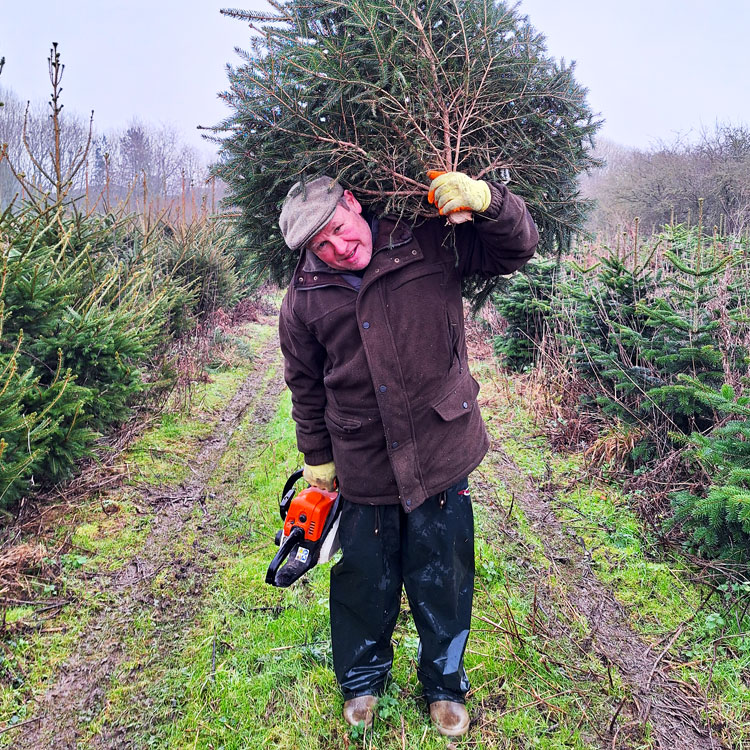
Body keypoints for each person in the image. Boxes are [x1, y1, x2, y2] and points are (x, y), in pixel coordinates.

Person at [277, 171, 538, 737]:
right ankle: (363, 681)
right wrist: (317, 459)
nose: (340, 247)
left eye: (340, 229)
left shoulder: (426, 235)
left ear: (353, 202)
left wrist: (489, 201)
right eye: (322, 244)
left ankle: (445, 685)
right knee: (363, 579)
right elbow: (305, 386)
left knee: (442, 574)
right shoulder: (303, 301)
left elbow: (516, 248)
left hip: (439, 440)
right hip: (362, 456)